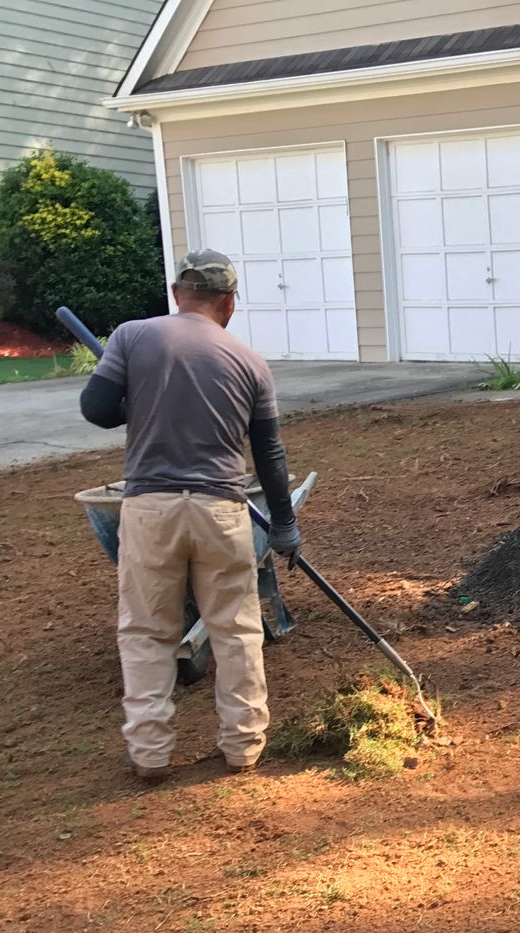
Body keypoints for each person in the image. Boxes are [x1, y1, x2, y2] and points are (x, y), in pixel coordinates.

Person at [78, 249, 302, 783]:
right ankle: (243, 746)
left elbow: (97, 409)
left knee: (147, 631)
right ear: (229, 302)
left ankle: (150, 752)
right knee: (237, 630)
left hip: (150, 510)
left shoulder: (132, 337)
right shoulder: (250, 361)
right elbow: (269, 453)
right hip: (221, 510)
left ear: (178, 294)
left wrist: (137, 402)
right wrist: (284, 524)